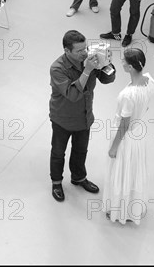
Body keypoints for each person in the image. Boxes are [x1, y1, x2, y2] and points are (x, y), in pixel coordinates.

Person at [49, 30, 116, 202]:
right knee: (58, 152)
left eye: (85, 48)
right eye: (79, 51)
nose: (84, 53)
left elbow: (107, 80)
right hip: (62, 118)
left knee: (81, 150)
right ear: (67, 51)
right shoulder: (57, 68)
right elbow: (72, 95)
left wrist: (106, 63)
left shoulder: (88, 59)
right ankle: (56, 182)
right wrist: (87, 70)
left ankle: (78, 177)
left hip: (84, 116)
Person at [103, 48, 154, 225]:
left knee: (121, 172)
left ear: (132, 67)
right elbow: (146, 106)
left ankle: (119, 211)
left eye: (124, 61)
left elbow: (124, 125)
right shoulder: (150, 81)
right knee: (134, 171)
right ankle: (133, 207)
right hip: (139, 132)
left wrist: (114, 147)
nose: (122, 63)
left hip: (126, 138)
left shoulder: (128, 95)